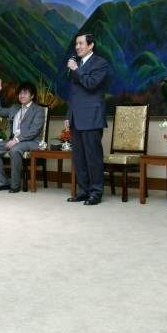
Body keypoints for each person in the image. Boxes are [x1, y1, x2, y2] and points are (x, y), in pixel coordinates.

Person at [64, 33, 110, 206]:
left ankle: (96, 192)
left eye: (81, 43)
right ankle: (83, 191)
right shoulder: (78, 64)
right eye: (76, 43)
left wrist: (76, 69)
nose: (77, 47)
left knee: (93, 157)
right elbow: (74, 94)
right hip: (76, 117)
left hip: (92, 117)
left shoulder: (100, 63)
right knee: (79, 158)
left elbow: (91, 84)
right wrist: (68, 115)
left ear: (91, 45)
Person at [0, 79, 45, 193]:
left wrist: (17, 140)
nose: (21, 95)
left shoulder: (38, 110)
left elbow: (34, 131)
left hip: (32, 141)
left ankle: (15, 185)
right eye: (20, 93)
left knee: (15, 150)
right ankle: (3, 182)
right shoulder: (15, 108)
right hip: (14, 140)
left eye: (25, 93)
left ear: (32, 95)